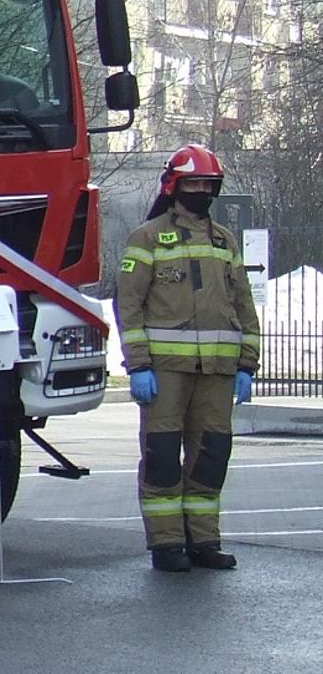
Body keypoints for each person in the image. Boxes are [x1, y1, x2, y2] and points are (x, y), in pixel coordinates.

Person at [116, 144, 261, 573]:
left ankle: (203, 540)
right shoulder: (146, 238)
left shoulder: (224, 241)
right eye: (193, 183)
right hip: (165, 373)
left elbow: (244, 305)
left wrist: (246, 364)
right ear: (174, 187)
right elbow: (129, 305)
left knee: (211, 456)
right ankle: (166, 544)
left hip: (217, 373)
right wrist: (139, 365)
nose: (201, 191)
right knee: (162, 457)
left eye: (208, 185)